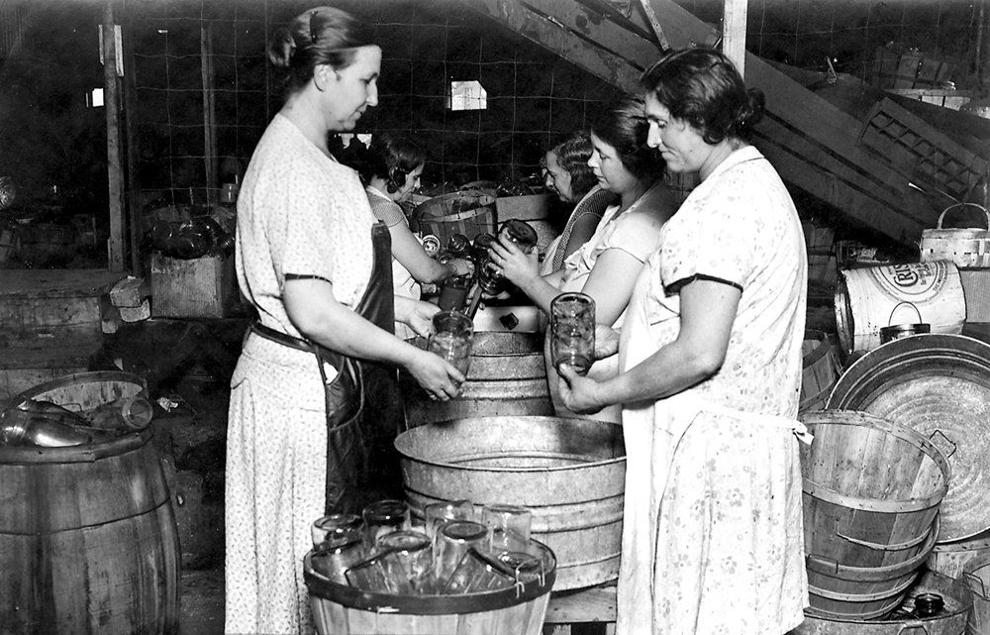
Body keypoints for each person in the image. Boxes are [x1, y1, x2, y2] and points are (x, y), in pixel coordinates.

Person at [224, 7, 464, 634]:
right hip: (302, 397)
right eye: (366, 81)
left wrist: (407, 310)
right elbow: (312, 311)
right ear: (324, 76)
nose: (374, 97)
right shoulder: (295, 169)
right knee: (309, 570)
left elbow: (338, 284)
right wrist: (409, 354)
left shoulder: (314, 158)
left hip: (318, 383)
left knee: (326, 570)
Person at [558, 48, 809, 634]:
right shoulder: (753, 181)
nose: (649, 138)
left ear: (701, 119)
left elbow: (701, 352)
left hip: (712, 460)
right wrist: (620, 343)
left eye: (660, 122)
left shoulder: (719, 209)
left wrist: (604, 392)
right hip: (740, 452)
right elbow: (715, 328)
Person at [491, 97, 677, 423]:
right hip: (581, 393)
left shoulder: (639, 227)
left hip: (600, 400)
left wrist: (528, 280)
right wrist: (517, 271)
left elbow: (586, 320)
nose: (590, 164)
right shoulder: (617, 209)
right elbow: (572, 277)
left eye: (602, 155)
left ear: (634, 161)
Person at [358, 135, 474, 339]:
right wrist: (456, 266)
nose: (418, 184)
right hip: (395, 321)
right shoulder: (386, 210)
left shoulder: (364, 199)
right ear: (396, 174)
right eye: (415, 177)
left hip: (378, 314)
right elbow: (426, 272)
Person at [539, 133, 616, 274]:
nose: (548, 182)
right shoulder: (593, 200)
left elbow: (566, 277)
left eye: (553, 175)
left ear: (576, 174)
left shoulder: (589, 215)